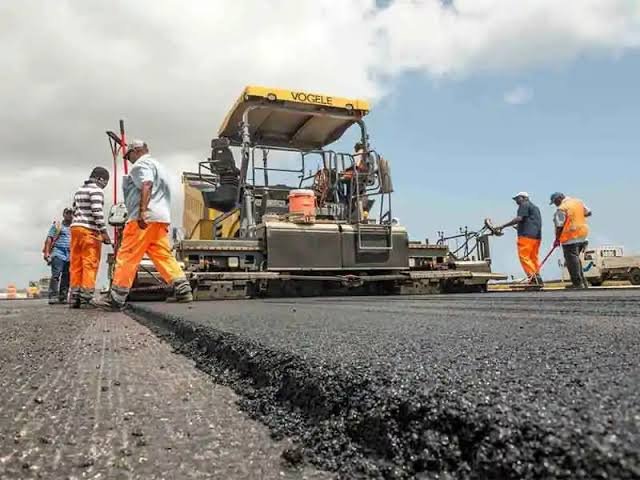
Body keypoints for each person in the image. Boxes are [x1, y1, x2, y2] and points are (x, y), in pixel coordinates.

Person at [93, 139, 193, 311]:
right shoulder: (160, 166)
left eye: (129, 155)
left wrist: (142, 211)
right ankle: (182, 289)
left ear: (136, 151)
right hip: (161, 218)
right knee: (162, 254)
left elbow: (147, 184)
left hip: (143, 219)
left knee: (127, 255)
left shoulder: (141, 165)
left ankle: (116, 298)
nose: (129, 159)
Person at [69, 167, 111, 308]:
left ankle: (74, 297)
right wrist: (104, 232)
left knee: (76, 263)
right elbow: (97, 211)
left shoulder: (79, 190)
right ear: (100, 179)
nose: (105, 185)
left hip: (75, 229)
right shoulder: (97, 191)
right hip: (89, 231)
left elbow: (74, 209)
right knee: (90, 262)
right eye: (105, 181)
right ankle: (86, 297)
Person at [496, 192, 543, 285]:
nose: (516, 201)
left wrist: (503, 226)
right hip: (536, 237)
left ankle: (532, 278)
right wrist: (520, 227)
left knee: (524, 257)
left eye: (517, 198)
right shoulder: (535, 207)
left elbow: (519, 218)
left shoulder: (524, 205)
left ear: (524, 198)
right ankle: (537, 277)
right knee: (533, 257)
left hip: (526, 236)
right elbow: (532, 221)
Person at [550, 192, 592, 289]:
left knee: (571, 261)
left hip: (570, 236)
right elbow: (588, 212)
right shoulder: (578, 202)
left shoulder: (562, 208)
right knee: (576, 259)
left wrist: (557, 240)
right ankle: (583, 282)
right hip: (583, 234)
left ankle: (577, 283)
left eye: (555, 202)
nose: (555, 204)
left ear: (559, 198)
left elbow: (559, 226)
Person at [42, 207, 73, 304]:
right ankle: (53, 296)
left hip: (70, 254)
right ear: (64, 214)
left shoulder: (75, 227)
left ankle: (63, 296)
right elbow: (49, 238)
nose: (69, 215)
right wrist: (47, 253)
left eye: (71, 213)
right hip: (58, 252)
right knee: (56, 275)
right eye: (67, 213)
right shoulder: (57, 225)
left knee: (67, 276)